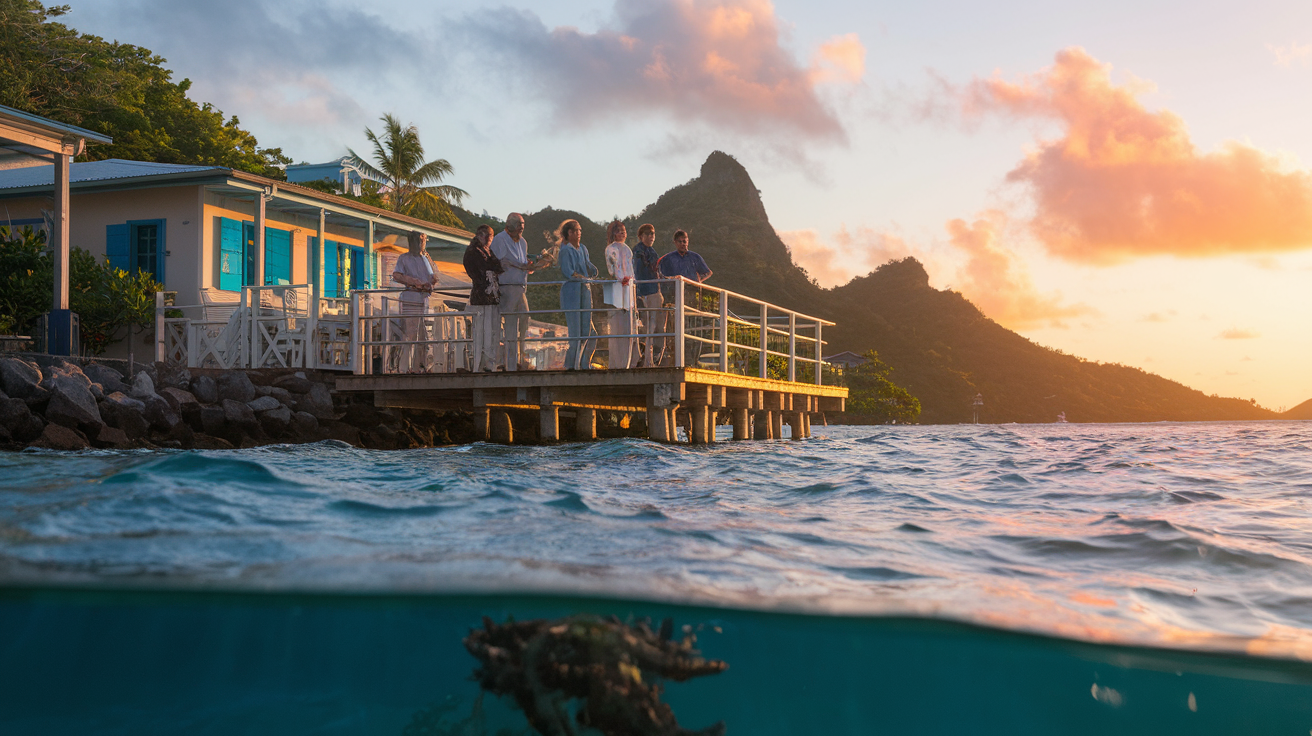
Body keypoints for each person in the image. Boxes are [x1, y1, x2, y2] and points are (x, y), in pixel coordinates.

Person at [658, 229, 713, 365]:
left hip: (692, 295)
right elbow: (661, 275)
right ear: (675, 243)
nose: (683, 244)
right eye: (681, 242)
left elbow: (707, 272)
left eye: (685, 241)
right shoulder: (668, 258)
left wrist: (697, 282)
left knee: (692, 325)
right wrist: (673, 279)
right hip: (675, 295)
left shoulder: (695, 257)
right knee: (676, 325)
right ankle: (676, 356)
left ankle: (692, 358)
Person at [491, 212, 535, 371]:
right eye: (518, 228)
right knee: (510, 325)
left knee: (524, 318)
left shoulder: (523, 242)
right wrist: (521, 265)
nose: (520, 231)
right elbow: (502, 262)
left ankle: (521, 357)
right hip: (507, 286)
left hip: (520, 287)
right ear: (510, 226)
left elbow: (520, 263)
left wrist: (528, 266)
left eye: (522, 228)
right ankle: (509, 364)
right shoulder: (499, 239)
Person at [391, 230, 439, 373]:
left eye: (423, 241)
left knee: (423, 334)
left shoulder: (426, 259)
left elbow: (433, 276)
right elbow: (397, 275)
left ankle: (419, 366)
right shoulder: (404, 258)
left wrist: (431, 282)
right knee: (410, 333)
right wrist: (414, 282)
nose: (420, 244)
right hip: (411, 298)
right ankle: (404, 366)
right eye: (418, 241)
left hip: (424, 299)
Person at [553, 218, 598, 370]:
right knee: (575, 331)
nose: (579, 233)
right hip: (572, 292)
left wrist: (593, 272)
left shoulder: (583, 248)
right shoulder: (565, 250)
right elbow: (568, 272)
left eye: (580, 230)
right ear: (569, 233)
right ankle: (571, 365)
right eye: (576, 230)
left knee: (589, 331)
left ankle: (584, 363)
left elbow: (588, 265)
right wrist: (582, 277)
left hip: (584, 290)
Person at [463, 224, 504, 372]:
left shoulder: (488, 252)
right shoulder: (473, 252)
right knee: (480, 331)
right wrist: (486, 276)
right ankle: (479, 364)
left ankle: (489, 363)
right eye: (483, 235)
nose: (487, 238)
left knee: (492, 330)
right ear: (478, 235)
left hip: (492, 297)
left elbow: (498, 267)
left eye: (490, 236)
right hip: (481, 297)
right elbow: (476, 272)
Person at [602, 220, 636, 370]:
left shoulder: (628, 249)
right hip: (617, 289)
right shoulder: (610, 249)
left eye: (624, 231)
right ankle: (616, 364)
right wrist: (622, 278)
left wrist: (631, 280)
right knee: (617, 328)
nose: (622, 233)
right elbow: (613, 267)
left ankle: (627, 363)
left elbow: (631, 268)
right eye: (619, 231)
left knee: (629, 328)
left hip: (629, 289)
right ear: (613, 233)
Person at [631, 223, 664, 367]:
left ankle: (652, 358)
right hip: (643, 292)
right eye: (648, 234)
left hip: (654, 291)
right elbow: (638, 272)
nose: (651, 236)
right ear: (641, 236)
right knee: (645, 327)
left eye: (653, 233)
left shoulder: (653, 251)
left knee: (657, 326)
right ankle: (642, 358)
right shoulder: (638, 251)